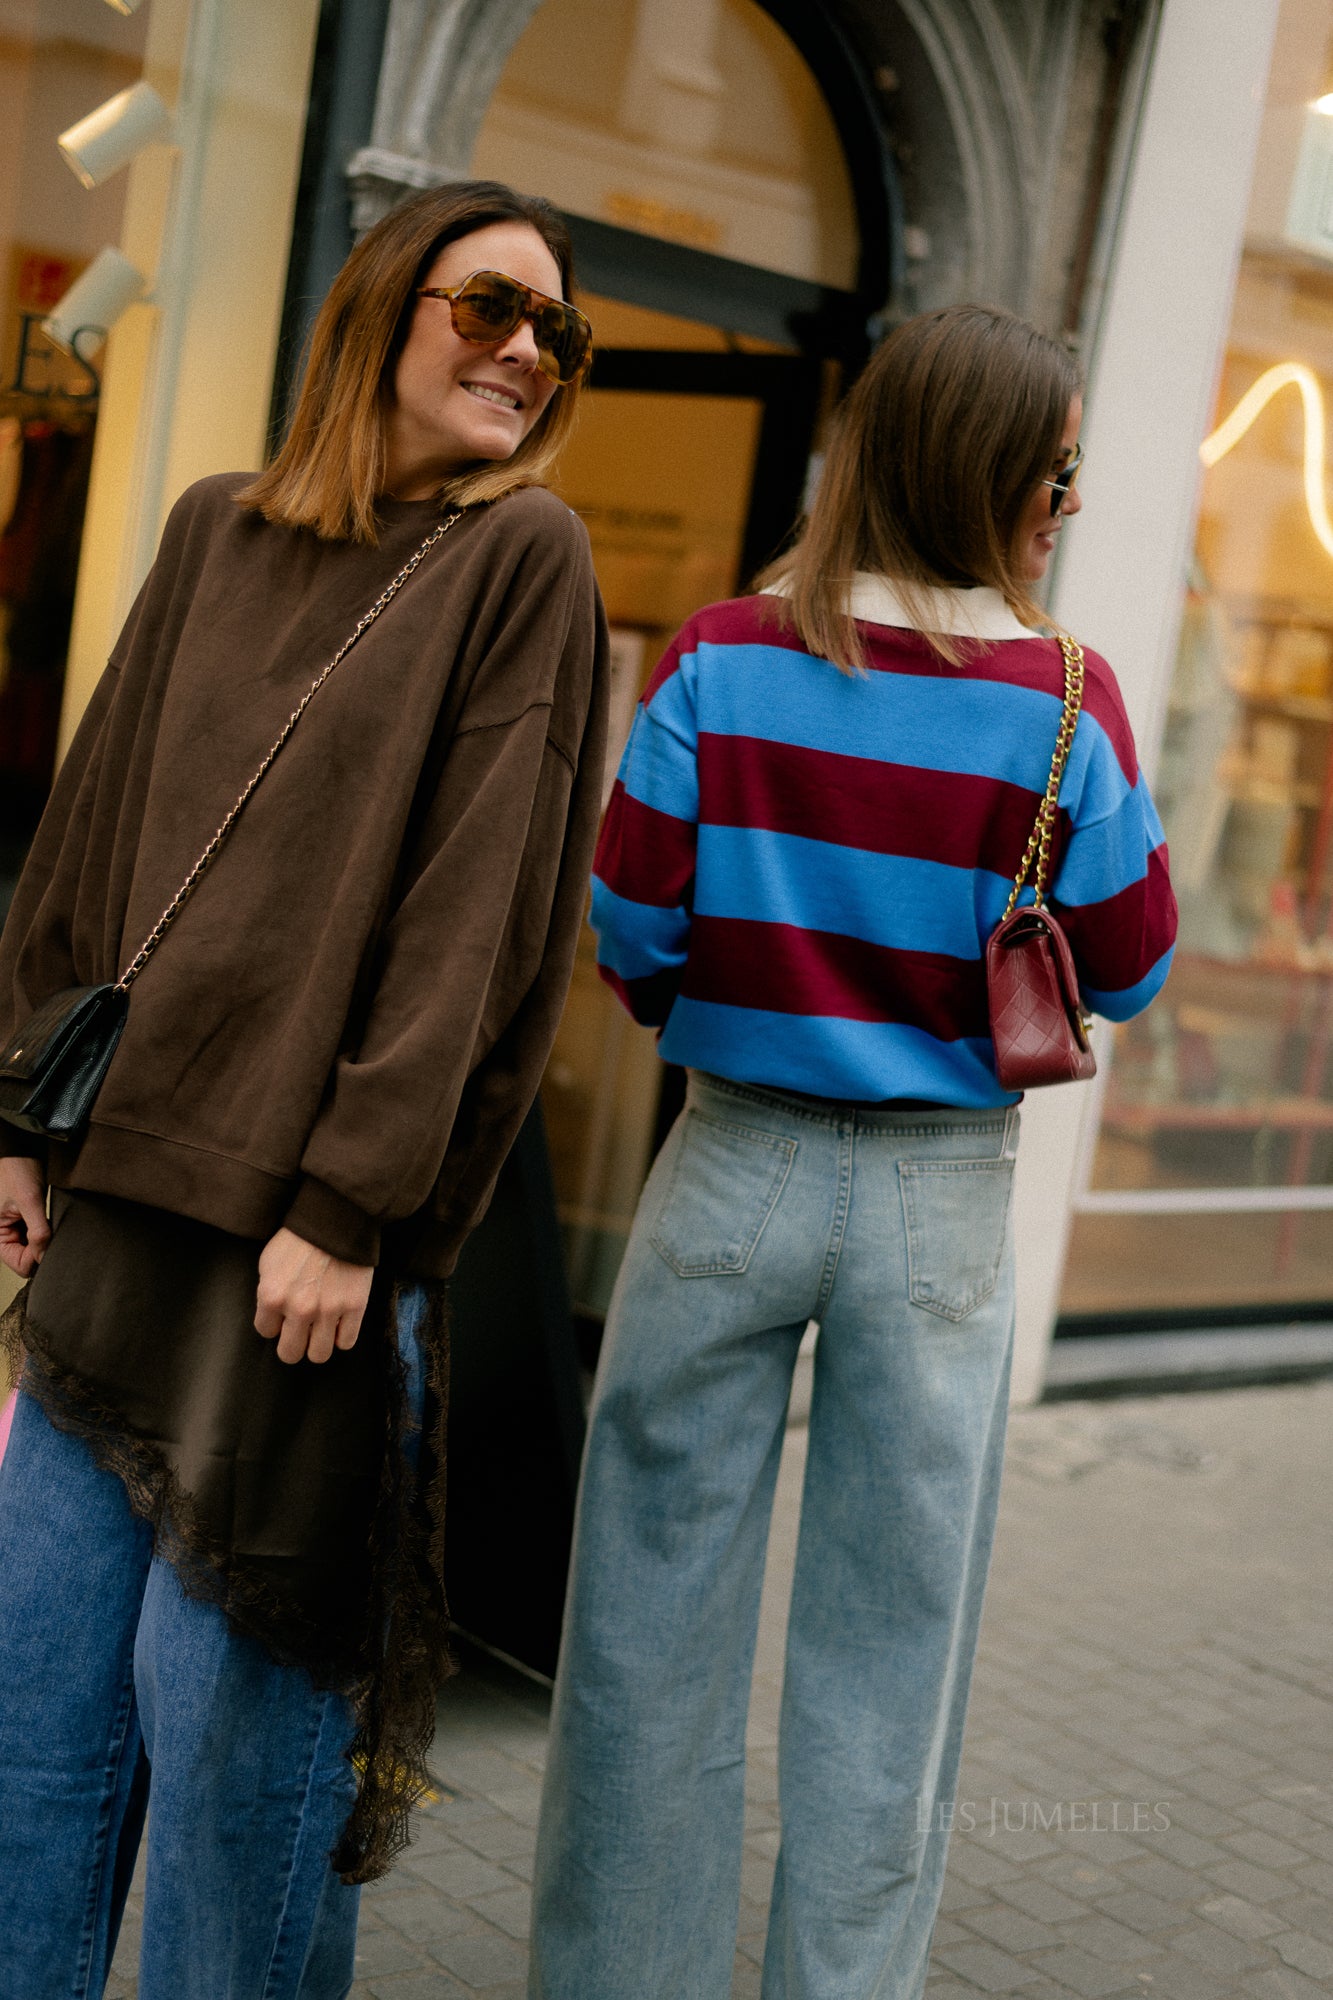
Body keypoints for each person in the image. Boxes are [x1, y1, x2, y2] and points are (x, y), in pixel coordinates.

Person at [0, 178, 607, 1999]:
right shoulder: (214, 528)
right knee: (34, 1739)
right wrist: (21, 1117)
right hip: (117, 1215)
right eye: (487, 307)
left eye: (557, 331)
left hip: (298, 1268)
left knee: (234, 1780)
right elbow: (91, 828)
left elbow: (478, 923)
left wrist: (348, 1203)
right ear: (381, 309)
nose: (525, 351)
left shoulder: (522, 557)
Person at [529, 304, 1177, 2000]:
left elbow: (630, 928)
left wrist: (741, 992)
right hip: (936, 1200)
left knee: (643, 1621)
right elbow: (1131, 963)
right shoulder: (1064, 698)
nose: (1068, 504)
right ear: (990, 476)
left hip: (730, 1160)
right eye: (1057, 470)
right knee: (891, 1653)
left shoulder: (720, 656)